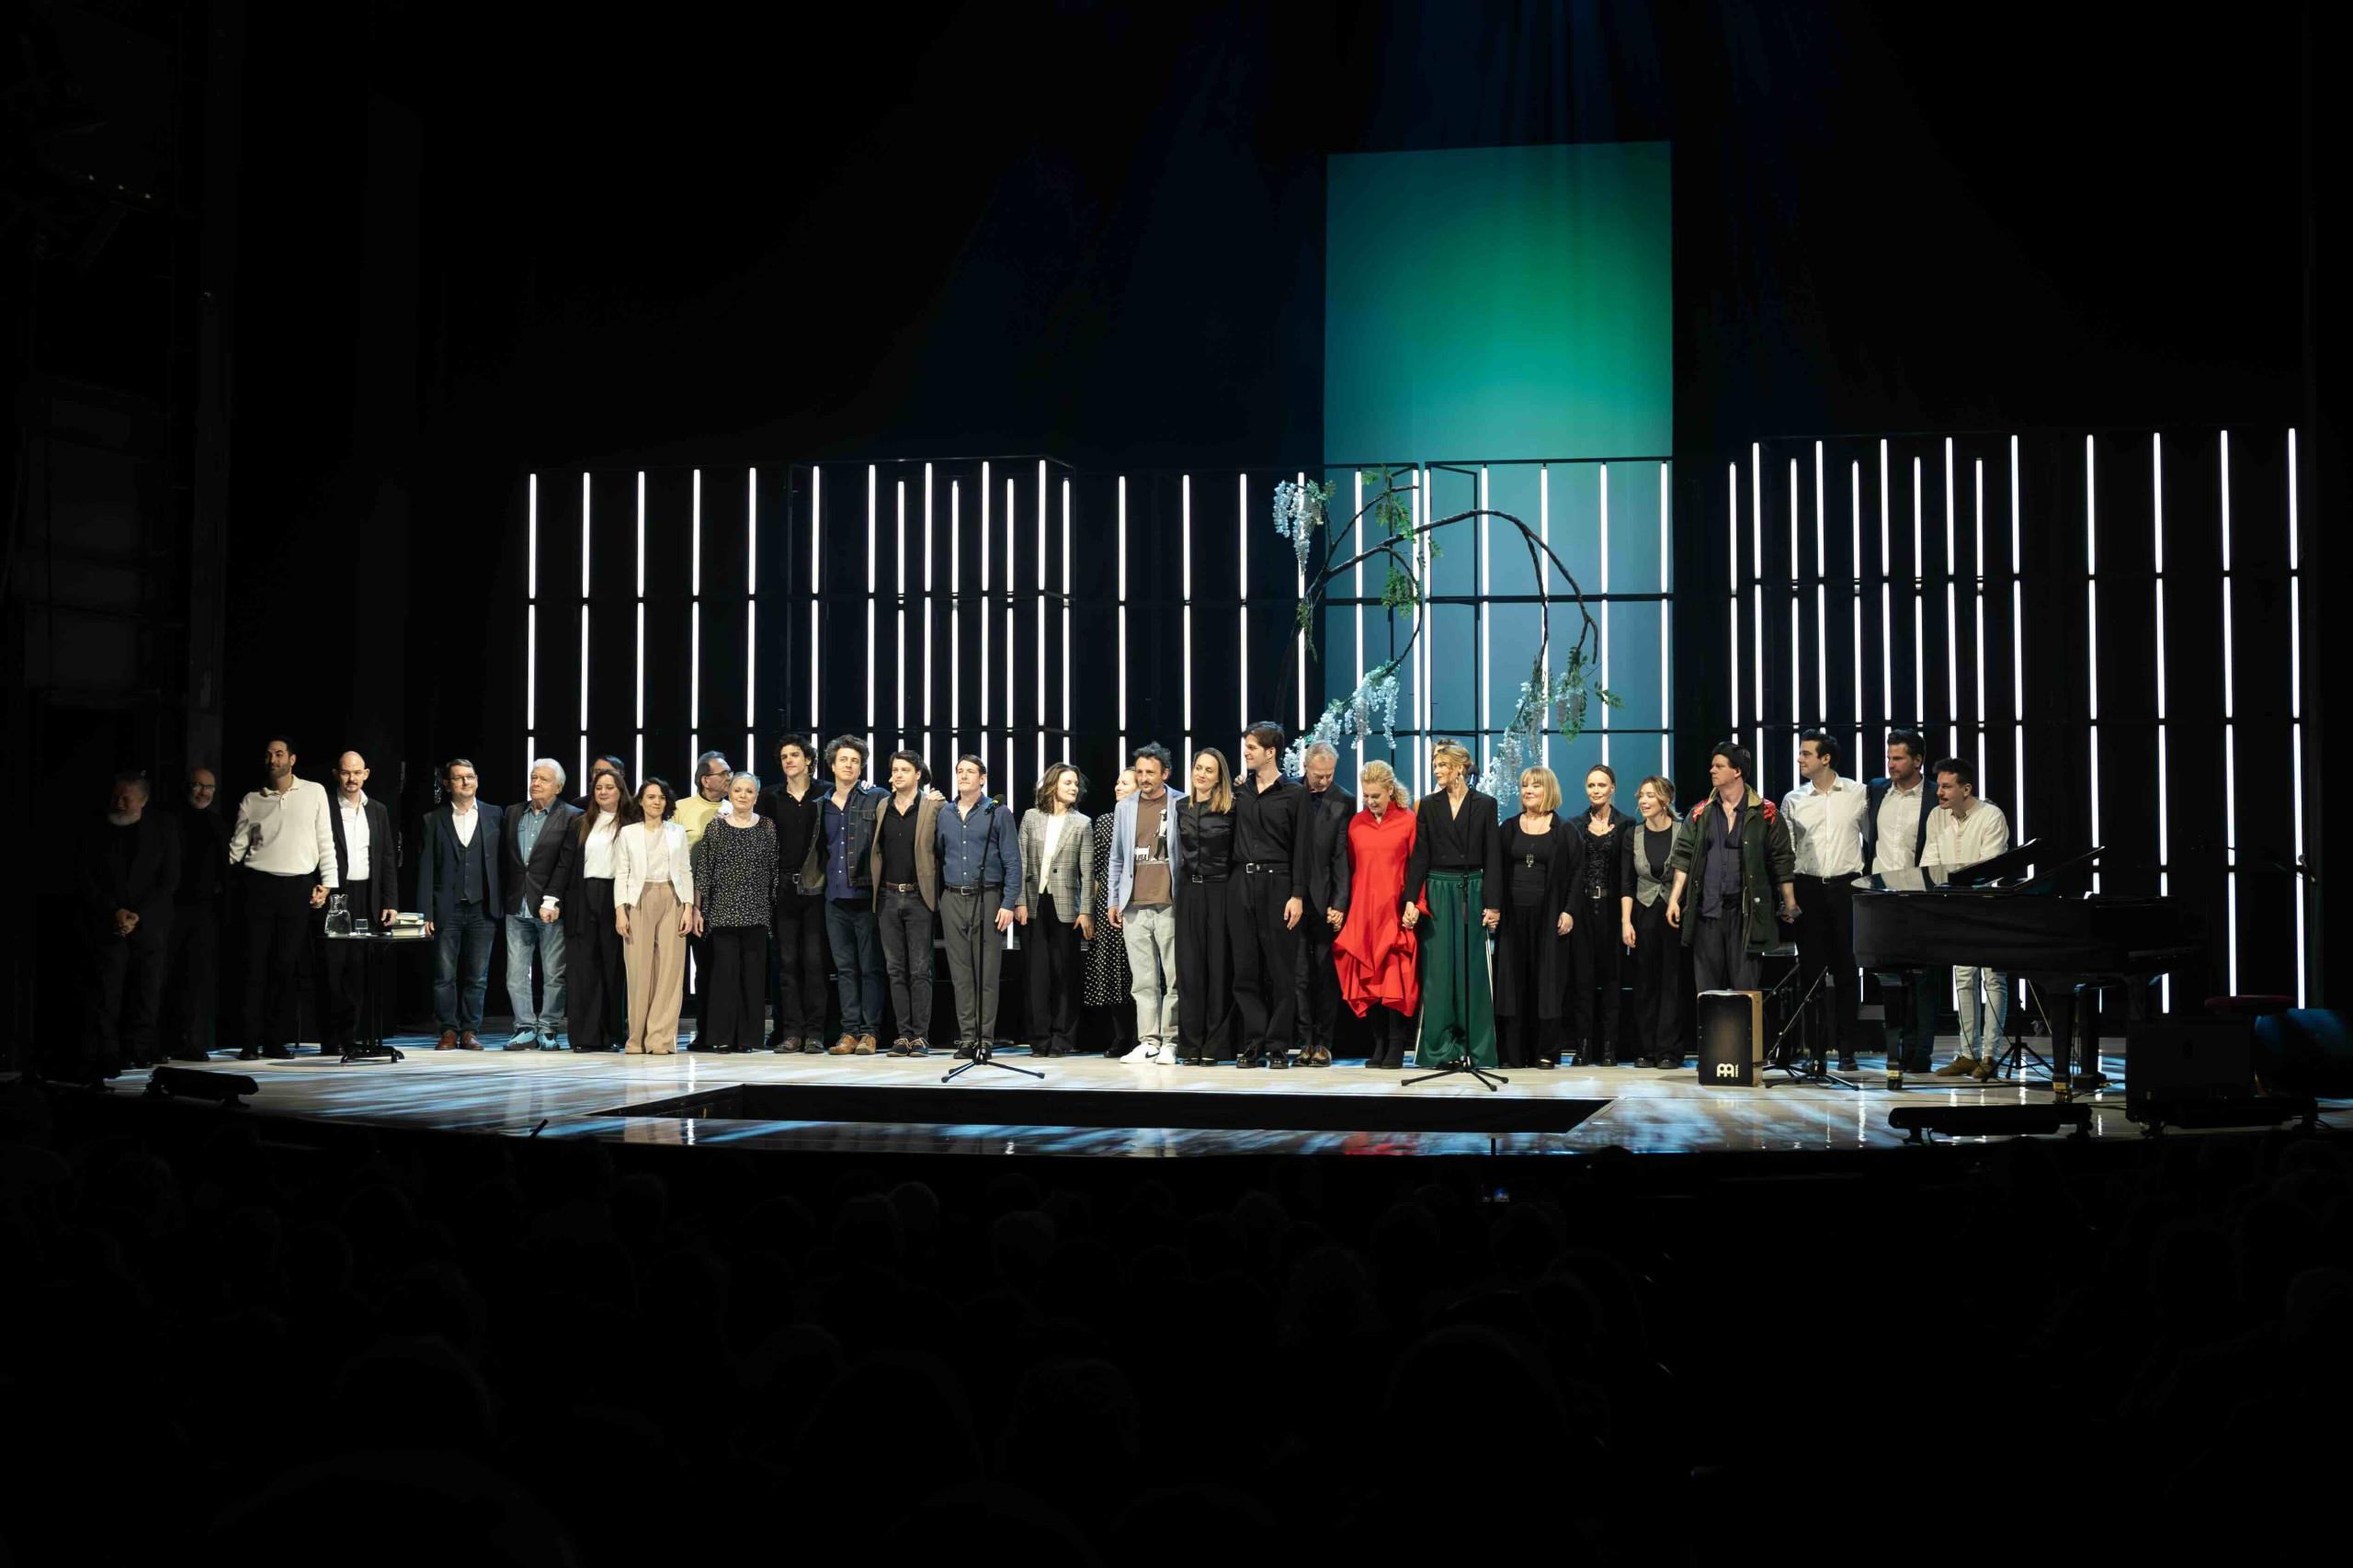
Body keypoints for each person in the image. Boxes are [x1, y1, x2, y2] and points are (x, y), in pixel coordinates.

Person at [228, 735, 337, 1060]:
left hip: (298, 887)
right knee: (253, 966)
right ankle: (249, 1042)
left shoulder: (314, 792)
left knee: (285, 966)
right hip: (258, 886)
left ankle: (275, 1041)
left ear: (292, 759)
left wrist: (328, 883)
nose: (273, 760)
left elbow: (325, 839)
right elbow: (236, 848)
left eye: (279, 754)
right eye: (268, 755)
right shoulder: (252, 799)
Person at [1400, 741, 1503, 1068]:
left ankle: (1476, 1048)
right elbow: (1420, 856)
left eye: (1442, 765)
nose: (1437, 771)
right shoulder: (1428, 805)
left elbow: (1493, 856)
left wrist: (1493, 904)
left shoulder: (1485, 804)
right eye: (1435, 766)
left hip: (1473, 887)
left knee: (1473, 970)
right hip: (1438, 889)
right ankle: (1440, 1049)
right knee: (1439, 971)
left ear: (1459, 768)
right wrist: (1411, 900)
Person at [1665, 743, 1798, 994]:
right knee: (1707, 991)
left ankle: (1748, 1023)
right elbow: (1683, 856)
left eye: (1719, 766)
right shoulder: (1701, 812)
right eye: (1712, 765)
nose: (1712, 770)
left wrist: (1789, 901)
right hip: (1708, 911)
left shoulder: (1766, 813)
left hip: (1746, 914)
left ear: (1737, 771)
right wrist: (1674, 900)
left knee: (1745, 990)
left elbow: (1781, 859)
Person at [75, 771, 180, 1079]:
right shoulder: (96, 828)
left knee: (146, 991)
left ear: (143, 799)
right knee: (106, 992)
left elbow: (169, 879)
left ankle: (138, 1049)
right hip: (107, 923)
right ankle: (106, 1053)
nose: (119, 802)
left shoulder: (163, 828)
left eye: (127, 797)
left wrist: (137, 915)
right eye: (116, 796)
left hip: (148, 924)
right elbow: (85, 875)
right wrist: (114, 912)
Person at [1782, 731, 1869, 1071]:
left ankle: (1847, 1050)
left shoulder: (1858, 793)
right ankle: (1815, 1051)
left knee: (1847, 969)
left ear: (1825, 758)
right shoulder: (1794, 799)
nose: (1799, 759)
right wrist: (1787, 898)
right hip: (1808, 888)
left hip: (1847, 887)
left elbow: (1873, 837)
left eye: (1806, 753)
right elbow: (1787, 853)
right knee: (1811, 972)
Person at [797, 735, 889, 1054]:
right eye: (843, 760)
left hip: (866, 895)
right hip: (833, 898)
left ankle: (870, 1032)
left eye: (855, 761)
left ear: (861, 767)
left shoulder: (876, 796)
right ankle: (849, 1032)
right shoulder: (821, 804)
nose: (849, 765)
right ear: (832, 766)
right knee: (845, 969)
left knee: (871, 968)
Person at [1229, 721, 1313, 1068]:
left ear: (1271, 752)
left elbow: (1303, 849)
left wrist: (1297, 895)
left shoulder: (1295, 794)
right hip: (1242, 883)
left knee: (1281, 969)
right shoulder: (1240, 792)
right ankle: (1253, 1042)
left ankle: (1278, 1044)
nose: (1245, 752)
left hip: (1279, 884)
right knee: (1245, 969)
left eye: (1251, 747)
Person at [1924, 757, 2013, 1081]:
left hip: (1987, 909)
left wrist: (1955, 884)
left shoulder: (1991, 816)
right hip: (1955, 909)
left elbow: (1990, 867)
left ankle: (1990, 1054)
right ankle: (1967, 1054)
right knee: (1963, 979)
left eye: (1947, 787)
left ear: (1966, 789)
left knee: (1993, 980)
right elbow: (1931, 862)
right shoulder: (1937, 817)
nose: (1940, 792)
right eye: (1939, 786)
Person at [934, 754, 1022, 1058]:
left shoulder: (998, 812)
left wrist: (1009, 902)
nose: (963, 775)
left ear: (982, 778)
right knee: (960, 975)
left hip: (988, 898)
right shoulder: (945, 813)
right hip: (952, 898)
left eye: (970, 771)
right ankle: (967, 1038)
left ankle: (985, 1039)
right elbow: (939, 854)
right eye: (959, 771)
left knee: (986, 973)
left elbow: (1013, 861)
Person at [1335, 760, 1419, 1069]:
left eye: (1376, 796)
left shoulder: (1408, 820)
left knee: (1394, 978)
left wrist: (1414, 904)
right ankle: (1379, 1043)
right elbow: (1350, 868)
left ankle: (1396, 1044)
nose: (1370, 801)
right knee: (1368, 980)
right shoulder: (1356, 824)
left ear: (1390, 790)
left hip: (1394, 910)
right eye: (1366, 796)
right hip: (1364, 912)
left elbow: (1416, 868)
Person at [415, 758, 505, 1051]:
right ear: (447, 784)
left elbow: (503, 861)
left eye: (470, 776)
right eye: (458, 778)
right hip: (447, 908)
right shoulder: (433, 819)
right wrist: (426, 912)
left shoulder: (494, 814)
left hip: (483, 907)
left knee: (477, 976)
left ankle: (470, 1030)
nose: (466, 782)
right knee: (444, 975)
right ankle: (448, 1030)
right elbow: (426, 867)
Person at [1864, 729, 1939, 1072]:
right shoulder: (1877, 790)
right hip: (1882, 899)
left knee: (1924, 980)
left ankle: (1921, 1052)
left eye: (1898, 758)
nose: (1891, 764)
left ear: (1917, 760)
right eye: (1889, 758)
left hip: (1920, 897)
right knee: (1892, 978)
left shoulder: (1935, 795)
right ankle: (1896, 1052)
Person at [1493, 766, 1574, 1070]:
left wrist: (1569, 910)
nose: (1528, 790)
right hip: (1513, 919)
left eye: (1536, 786)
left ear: (1549, 790)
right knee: (1512, 984)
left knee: (1547, 984)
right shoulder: (1508, 828)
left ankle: (1546, 1051)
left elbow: (1576, 874)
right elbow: (1497, 871)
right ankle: (1512, 1053)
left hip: (1549, 918)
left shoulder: (1564, 830)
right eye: (1525, 785)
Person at [1108, 744, 1183, 1065]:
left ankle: (1172, 1041)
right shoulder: (1125, 807)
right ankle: (1149, 1041)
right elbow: (1117, 856)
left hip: (1170, 903)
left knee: (1175, 977)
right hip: (1134, 904)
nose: (1144, 778)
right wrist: (1114, 900)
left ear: (1165, 773)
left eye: (1150, 772)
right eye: (1139, 772)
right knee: (1143, 981)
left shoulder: (1181, 802)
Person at [692, 771, 778, 1053]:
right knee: (724, 978)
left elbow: (774, 870)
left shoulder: (767, 827)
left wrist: (772, 910)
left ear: (756, 796)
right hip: (722, 913)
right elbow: (704, 872)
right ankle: (724, 1036)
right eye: (738, 790)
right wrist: (697, 909)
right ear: (729, 793)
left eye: (749, 791)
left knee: (752, 978)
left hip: (757, 913)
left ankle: (748, 1039)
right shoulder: (716, 828)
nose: (743, 795)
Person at [321, 753, 399, 1056]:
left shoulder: (377, 810)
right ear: (336, 774)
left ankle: (350, 1038)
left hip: (367, 896)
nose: (351, 779)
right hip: (336, 895)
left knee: (357, 971)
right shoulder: (325, 807)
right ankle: (330, 1038)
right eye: (345, 773)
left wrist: (390, 901)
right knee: (331, 970)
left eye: (356, 773)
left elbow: (387, 858)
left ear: (366, 774)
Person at [1017, 762, 1095, 1058]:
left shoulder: (1082, 823)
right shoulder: (1031, 818)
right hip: (1035, 904)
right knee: (1036, 975)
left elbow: (1087, 872)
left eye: (1075, 783)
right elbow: (1021, 862)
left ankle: (1062, 1039)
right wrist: (1019, 901)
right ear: (1052, 786)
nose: (1074, 787)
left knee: (1065, 974)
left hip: (1066, 907)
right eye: (1067, 782)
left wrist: (1086, 911)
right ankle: (1039, 1039)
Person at [500, 757, 579, 1049]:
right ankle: (524, 1027)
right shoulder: (513, 812)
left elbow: (566, 864)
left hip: (551, 907)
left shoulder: (571, 816)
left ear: (558, 787)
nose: (535, 783)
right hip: (516, 903)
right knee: (515, 973)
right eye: (533, 777)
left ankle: (548, 1028)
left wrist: (553, 899)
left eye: (544, 779)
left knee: (553, 973)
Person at [870, 750, 945, 1057]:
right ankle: (903, 1036)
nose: (898, 774)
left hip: (918, 897)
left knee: (920, 970)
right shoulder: (883, 806)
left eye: (905, 769)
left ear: (918, 775)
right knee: (895, 970)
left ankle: (920, 1037)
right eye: (895, 769)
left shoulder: (933, 805)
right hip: (888, 897)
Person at [758, 736, 829, 1052]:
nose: (789, 760)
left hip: (816, 886)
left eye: (795, 755)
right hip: (783, 886)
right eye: (784, 756)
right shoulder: (769, 797)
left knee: (814, 962)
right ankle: (791, 1032)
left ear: (809, 760)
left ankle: (815, 1032)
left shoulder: (826, 792)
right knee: (786, 963)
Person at [614, 776, 694, 1054]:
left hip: (672, 897)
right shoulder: (628, 833)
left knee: (670, 971)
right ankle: (636, 1038)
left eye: (661, 797)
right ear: (640, 801)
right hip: (638, 899)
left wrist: (688, 907)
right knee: (638, 970)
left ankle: (660, 1039)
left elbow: (684, 869)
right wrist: (620, 911)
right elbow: (621, 873)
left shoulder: (677, 832)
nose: (656, 802)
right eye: (650, 797)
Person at [552, 764, 629, 1052]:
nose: (603, 792)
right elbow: (565, 864)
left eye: (609, 787)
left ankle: (612, 1034)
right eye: (598, 788)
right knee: (584, 970)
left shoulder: (632, 823)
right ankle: (585, 1037)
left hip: (616, 899)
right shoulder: (580, 822)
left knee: (613, 969)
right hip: (583, 898)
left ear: (620, 791)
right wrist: (552, 898)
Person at [1567, 764, 1636, 1065]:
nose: (1596, 790)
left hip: (1612, 909)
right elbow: (1572, 872)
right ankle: (1583, 1047)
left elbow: (1627, 874)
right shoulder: (1575, 824)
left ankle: (1609, 1048)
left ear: (1612, 788)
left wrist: (1626, 919)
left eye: (1601, 785)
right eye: (1591, 785)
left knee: (1611, 980)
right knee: (1582, 980)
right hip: (1582, 909)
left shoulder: (1627, 823)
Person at [1173, 747, 1238, 1063]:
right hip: (1189, 892)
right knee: (1190, 970)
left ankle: (1215, 1046)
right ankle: (1190, 1045)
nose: (1201, 774)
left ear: (1219, 776)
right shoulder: (1180, 806)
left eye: (1209, 770)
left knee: (1218, 968)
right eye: (1198, 767)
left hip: (1221, 891)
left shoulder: (1231, 807)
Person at [1293, 742, 1356, 1068]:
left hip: (1326, 900)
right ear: (1305, 767)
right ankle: (1304, 1041)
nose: (1324, 781)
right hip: (1292, 899)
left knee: (1325, 975)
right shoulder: (1290, 793)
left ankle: (1323, 1043)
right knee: (1299, 975)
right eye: (1319, 775)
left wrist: (1340, 903)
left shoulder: (1343, 800)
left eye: (1329, 775)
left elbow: (1341, 857)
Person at [163, 766, 229, 1060]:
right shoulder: (169, 821)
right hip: (168, 909)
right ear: (186, 787)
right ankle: (159, 1042)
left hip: (204, 912)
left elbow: (226, 874)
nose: (203, 792)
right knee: (165, 977)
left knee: (196, 980)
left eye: (209, 788)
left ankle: (191, 1041)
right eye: (198, 786)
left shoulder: (217, 824)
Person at [1625, 776, 1689, 1070]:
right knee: (1645, 983)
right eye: (1641, 796)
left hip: (1675, 913)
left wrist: (1677, 900)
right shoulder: (1633, 834)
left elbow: (1687, 870)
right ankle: (1645, 1050)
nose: (1643, 801)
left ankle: (1669, 1051)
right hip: (1643, 912)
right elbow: (1627, 881)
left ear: (1665, 799)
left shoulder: (1683, 830)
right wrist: (1626, 921)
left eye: (1650, 795)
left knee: (1672, 982)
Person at [673, 751, 733, 1049]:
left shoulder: (735, 807)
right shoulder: (681, 808)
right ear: (705, 780)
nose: (729, 777)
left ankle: (725, 1034)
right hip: (689, 900)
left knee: (725, 969)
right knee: (702, 968)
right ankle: (704, 1032)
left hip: (728, 900)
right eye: (723, 773)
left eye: (729, 772)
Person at [1083, 766, 1141, 1059]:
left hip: (1137, 897)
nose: (1118, 787)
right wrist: (1089, 910)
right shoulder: (1104, 821)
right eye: (1117, 782)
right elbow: (1094, 870)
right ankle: (1120, 1036)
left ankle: (1142, 1036)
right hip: (1107, 901)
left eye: (1125, 783)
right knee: (1110, 970)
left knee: (1136, 970)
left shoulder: (1145, 818)